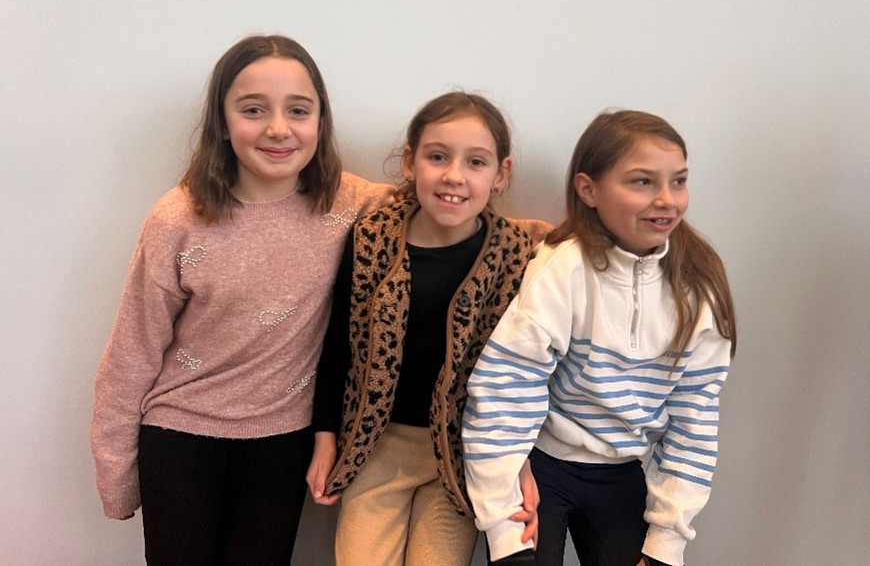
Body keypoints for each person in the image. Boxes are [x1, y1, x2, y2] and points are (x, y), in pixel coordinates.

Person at [90, 34, 393, 564]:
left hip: (283, 440)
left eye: (298, 110)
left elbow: (442, 204)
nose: (278, 128)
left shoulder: (348, 203)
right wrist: (116, 471)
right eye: (254, 109)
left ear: (320, 122)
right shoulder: (177, 219)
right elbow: (133, 350)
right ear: (222, 123)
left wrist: (540, 236)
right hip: (180, 434)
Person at [462, 110, 737, 566]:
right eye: (642, 182)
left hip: (620, 471)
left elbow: (695, 420)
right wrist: (504, 526)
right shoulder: (563, 267)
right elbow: (506, 387)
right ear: (588, 190)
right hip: (541, 466)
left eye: (679, 181)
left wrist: (666, 542)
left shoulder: (699, 286)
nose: (666, 199)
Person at [306, 92, 551, 566]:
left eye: (475, 162)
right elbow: (338, 346)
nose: (454, 176)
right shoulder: (372, 239)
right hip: (374, 448)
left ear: (501, 174)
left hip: (460, 458)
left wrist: (517, 462)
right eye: (438, 157)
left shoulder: (514, 256)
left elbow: (521, 377)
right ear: (410, 162)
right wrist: (325, 436)